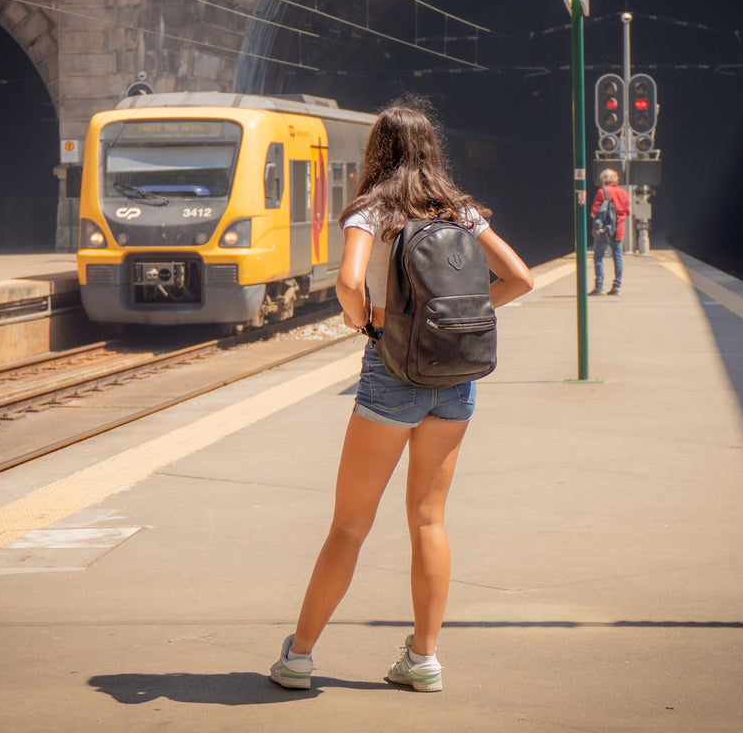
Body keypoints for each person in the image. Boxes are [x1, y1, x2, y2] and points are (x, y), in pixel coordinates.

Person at [270, 98, 533, 693]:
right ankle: (424, 660)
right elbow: (520, 277)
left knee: (349, 526)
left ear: (376, 151)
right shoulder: (463, 212)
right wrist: (454, 322)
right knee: (429, 519)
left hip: (391, 372)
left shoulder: (372, 211)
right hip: (455, 377)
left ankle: (299, 657)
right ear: (430, 150)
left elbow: (346, 281)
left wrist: (365, 320)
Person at [588, 168, 631, 296]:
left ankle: (599, 286)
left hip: (604, 231)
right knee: (617, 258)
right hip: (619, 230)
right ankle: (617, 286)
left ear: (603, 180)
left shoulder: (602, 192)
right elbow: (627, 212)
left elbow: (594, 212)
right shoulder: (623, 193)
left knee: (598, 257)